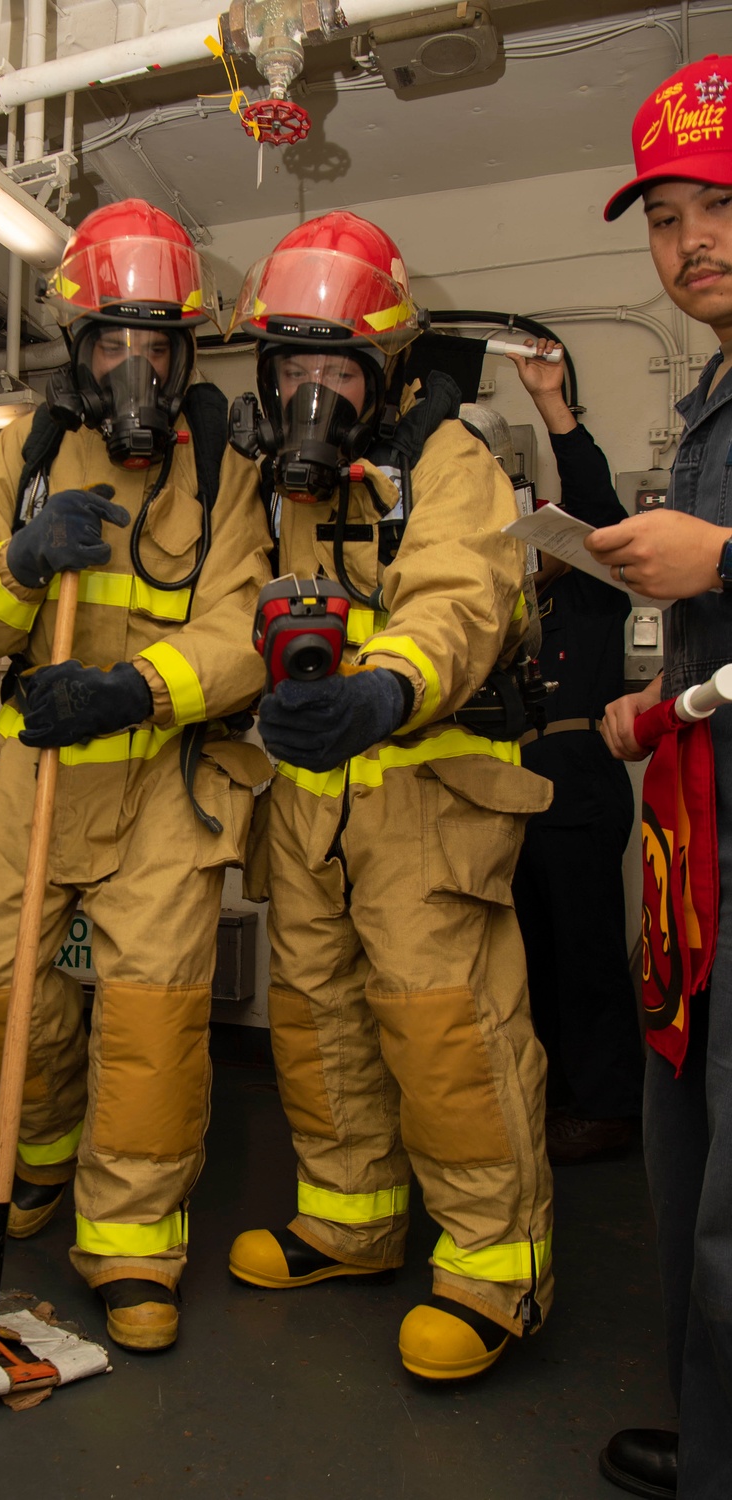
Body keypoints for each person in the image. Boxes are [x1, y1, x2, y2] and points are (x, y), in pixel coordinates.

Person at [0, 199, 272, 1352]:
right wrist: (18, 564)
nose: (134, 367)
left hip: (161, 777)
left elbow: (241, 628)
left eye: (156, 345)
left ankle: (130, 1243)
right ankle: (46, 1142)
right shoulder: (24, 451)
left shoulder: (222, 472)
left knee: (153, 1021)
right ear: (79, 350)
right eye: (111, 343)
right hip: (36, 771)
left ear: (183, 353)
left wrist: (135, 689)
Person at [225, 211, 555, 1382]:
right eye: (292, 368)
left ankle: (493, 1270)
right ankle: (350, 1221)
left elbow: (458, 600)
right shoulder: (281, 490)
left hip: (425, 799)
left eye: (337, 367)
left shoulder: (449, 461)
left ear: (385, 371)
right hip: (311, 812)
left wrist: (384, 690)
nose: (314, 390)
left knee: (449, 1036)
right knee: (316, 1028)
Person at [588, 53, 732, 1500]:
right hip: (702, 843)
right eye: (666, 216)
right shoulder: (711, 398)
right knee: (691, 1178)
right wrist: (665, 696)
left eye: (720, 203)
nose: (692, 240)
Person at [507, 340, 644, 1163]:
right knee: (530, 957)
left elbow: (595, 499)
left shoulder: (592, 592)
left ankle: (608, 1108)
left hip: (578, 787)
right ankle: (555, 1095)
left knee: (588, 953)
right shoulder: (510, 612)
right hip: (516, 794)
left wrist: (554, 406)